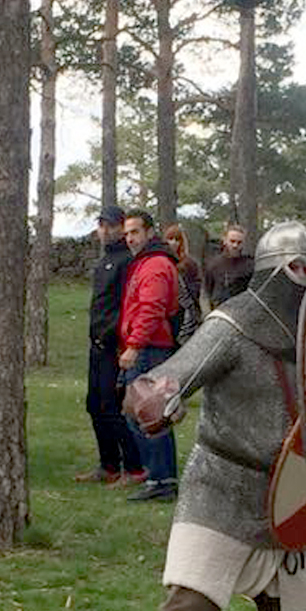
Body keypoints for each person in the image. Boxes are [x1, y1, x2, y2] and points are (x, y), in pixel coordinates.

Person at [119, 221, 306, 611]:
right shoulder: (231, 327)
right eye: (302, 271)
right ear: (281, 273)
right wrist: (155, 397)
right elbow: (171, 375)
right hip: (220, 487)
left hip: (291, 496)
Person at [76, 205, 145, 486]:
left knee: (109, 405)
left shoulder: (126, 261)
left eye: (111, 225)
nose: (105, 230)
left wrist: (117, 338)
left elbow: (125, 305)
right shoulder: (105, 260)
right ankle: (108, 465)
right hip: (96, 343)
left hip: (113, 344)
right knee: (94, 404)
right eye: (102, 225)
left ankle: (134, 466)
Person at [119, 211, 182, 503]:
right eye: (127, 232)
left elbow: (152, 308)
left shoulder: (155, 265)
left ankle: (161, 479)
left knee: (148, 415)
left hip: (150, 349)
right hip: (147, 347)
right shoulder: (146, 262)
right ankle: (160, 477)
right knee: (146, 413)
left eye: (135, 232)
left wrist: (134, 345)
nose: (130, 238)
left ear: (149, 233)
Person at [203, 223, 255, 308]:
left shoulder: (249, 265)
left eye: (239, 242)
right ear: (225, 240)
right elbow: (209, 290)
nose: (235, 245)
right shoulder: (213, 265)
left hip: (241, 311)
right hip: (219, 310)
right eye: (232, 241)